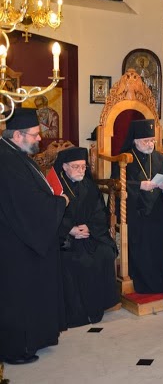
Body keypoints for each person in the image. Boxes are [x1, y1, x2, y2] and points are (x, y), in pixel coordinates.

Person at [0, 108, 67, 364]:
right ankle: (16, 349)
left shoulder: (15, 154)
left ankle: (34, 338)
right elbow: (27, 204)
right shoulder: (7, 161)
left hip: (22, 238)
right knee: (17, 296)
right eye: (35, 134)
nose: (40, 139)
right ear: (17, 135)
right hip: (16, 243)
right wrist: (59, 203)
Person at [52, 147, 119, 328]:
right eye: (76, 167)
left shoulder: (89, 185)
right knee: (76, 260)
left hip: (90, 234)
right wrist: (70, 229)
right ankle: (77, 312)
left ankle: (97, 306)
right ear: (64, 167)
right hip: (65, 238)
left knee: (104, 252)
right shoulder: (56, 188)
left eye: (83, 166)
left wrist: (89, 226)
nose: (81, 171)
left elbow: (100, 212)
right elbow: (49, 215)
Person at [114, 119, 163, 294]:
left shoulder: (160, 158)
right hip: (136, 209)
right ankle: (145, 283)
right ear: (135, 141)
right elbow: (117, 184)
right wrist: (140, 185)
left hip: (159, 209)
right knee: (144, 230)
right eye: (146, 141)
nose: (150, 144)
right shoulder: (125, 159)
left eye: (152, 140)